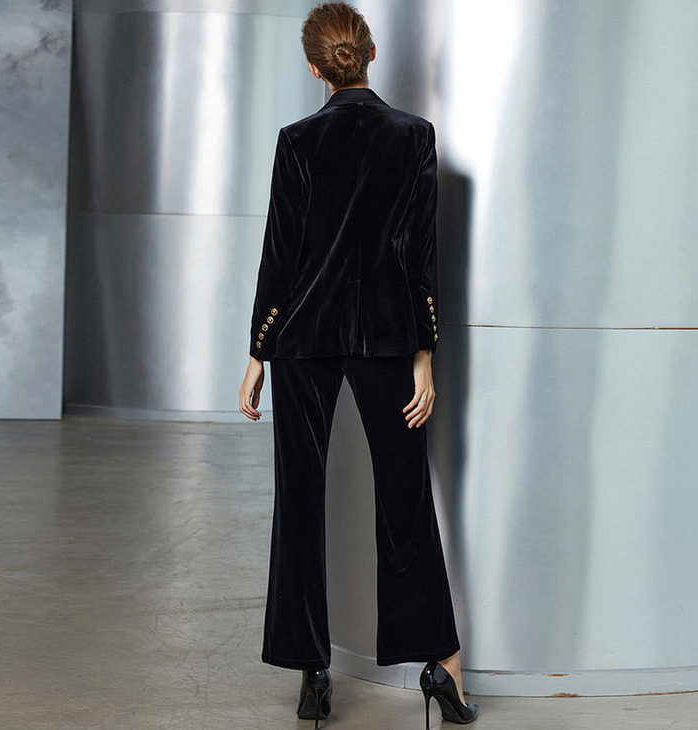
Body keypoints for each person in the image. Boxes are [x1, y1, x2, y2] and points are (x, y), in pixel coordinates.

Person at [238, 3, 479, 727]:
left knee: (300, 501)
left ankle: (312, 671)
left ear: (314, 66)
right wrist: (424, 356)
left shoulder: (297, 141)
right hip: (386, 336)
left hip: (303, 338)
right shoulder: (414, 136)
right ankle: (442, 665)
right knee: (406, 499)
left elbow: (281, 254)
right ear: (369, 53)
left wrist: (258, 351)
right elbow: (421, 256)